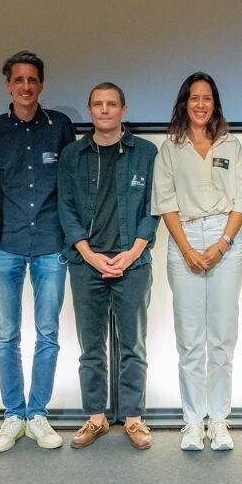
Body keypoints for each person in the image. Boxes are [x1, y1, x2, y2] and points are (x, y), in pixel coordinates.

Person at [0, 51, 75, 453]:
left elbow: (72, 185)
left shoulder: (61, 127)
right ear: (8, 85)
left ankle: (38, 413)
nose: (26, 86)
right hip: (6, 244)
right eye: (18, 80)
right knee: (6, 334)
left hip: (52, 243)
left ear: (41, 84)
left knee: (48, 333)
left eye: (32, 79)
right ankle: (13, 414)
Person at [152, 72, 242, 451]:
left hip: (226, 238)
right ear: (184, 103)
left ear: (215, 104)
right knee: (190, 338)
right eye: (194, 98)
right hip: (185, 239)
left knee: (222, 336)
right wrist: (187, 249)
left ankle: (220, 420)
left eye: (207, 98)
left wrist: (223, 243)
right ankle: (193, 422)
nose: (200, 104)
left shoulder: (231, 145)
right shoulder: (171, 148)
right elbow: (166, 204)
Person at [59, 83, 159, 450]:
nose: (104, 110)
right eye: (98, 105)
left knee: (133, 344)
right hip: (86, 265)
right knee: (91, 346)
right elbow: (66, 209)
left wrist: (132, 253)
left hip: (133, 264)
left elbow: (154, 207)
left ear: (123, 109)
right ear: (90, 110)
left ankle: (133, 418)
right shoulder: (72, 155)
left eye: (111, 104)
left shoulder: (146, 153)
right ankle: (96, 418)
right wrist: (88, 253)